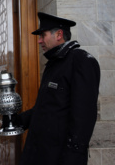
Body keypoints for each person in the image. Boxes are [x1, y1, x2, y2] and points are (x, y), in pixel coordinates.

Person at [13, 12, 100, 165]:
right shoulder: (54, 63)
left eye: (43, 35)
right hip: (40, 152)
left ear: (59, 34)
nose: (39, 41)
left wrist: (73, 156)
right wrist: (16, 120)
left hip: (59, 156)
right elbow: (47, 108)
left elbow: (84, 115)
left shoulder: (80, 61)